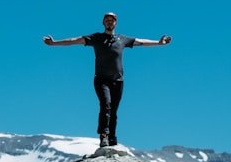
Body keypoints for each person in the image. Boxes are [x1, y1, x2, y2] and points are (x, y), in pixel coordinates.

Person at [43, 12, 171, 147]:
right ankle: (103, 135)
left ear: (116, 23)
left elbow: (141, 42)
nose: (110, 22)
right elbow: (75, 40)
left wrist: (159, 42)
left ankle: (112, 137)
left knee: (114, 111)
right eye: (107, 20)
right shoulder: (96, 38)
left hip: (118, 81)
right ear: (103, 23)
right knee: (106, 105)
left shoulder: (122, 39)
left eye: (112, 20)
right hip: (101, 79)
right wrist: (54, 43)